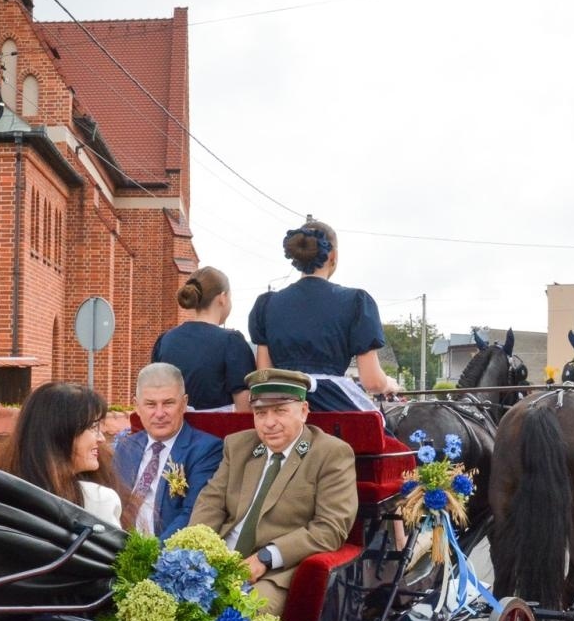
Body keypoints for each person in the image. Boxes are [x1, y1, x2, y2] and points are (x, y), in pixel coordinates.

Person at [189, 368, 358, 613]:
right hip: (221, 557)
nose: (269, 423)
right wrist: (196, 549)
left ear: (303, 411)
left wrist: (265, 558)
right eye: (260, 413)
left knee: (238, 615)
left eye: (280, 411)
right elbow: (211, 502)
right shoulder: (238, 446)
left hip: (276, 570)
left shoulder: (330, 454)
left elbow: (330, 528)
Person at [248, 216, 395, 413]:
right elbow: (372, 382)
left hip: (284, 413)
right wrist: (389, 384)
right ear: (333, 255)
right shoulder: (356, 302)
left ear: (296, 258)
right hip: (334, 408)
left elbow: (265, 375)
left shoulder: (266, 305)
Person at [0, 382, 136, 528]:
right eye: (92, 427)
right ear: (60, 435)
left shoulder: (2, 494)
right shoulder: (99, 500)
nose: (101, 438)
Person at [115, 363, 224, 538]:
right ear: (137, 406)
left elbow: (192, 514)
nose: (159, 413)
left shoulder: (206, 450)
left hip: (162, 551)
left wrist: (149, 556)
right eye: (150, 404)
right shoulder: (126, 446)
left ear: (184, 403)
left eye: (168, 403)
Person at [151, 266, 256, 411]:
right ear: (223, 298)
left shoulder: (165, 341)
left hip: (174, 430)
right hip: (218, 431)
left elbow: (154, 392)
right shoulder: (232, 342)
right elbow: (245, 408)